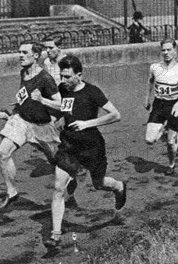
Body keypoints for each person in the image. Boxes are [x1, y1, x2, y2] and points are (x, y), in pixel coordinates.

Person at [48, 55, 127, 247]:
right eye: (61, 76)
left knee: (99, 184)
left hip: (92, 146)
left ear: (79, 75)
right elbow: (66, 109)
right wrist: (58, 120)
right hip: (69, 146)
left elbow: (115, 115)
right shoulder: (63, 89)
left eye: (67, 76)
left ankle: (119, 187)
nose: (63, 80)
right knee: (58, 187)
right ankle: (55, 234)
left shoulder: (93, 92)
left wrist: (87, 123)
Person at [0, 42, 62, 208]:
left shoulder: (46, 78)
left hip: (42, 127)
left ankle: (70, 189)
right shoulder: (23, 72)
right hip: (22, 121)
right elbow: (24, 93)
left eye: (25, 52)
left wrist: (42, 100)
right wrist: (18, 105)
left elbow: (62, 104)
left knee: (58, 161)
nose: (20, 55)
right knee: (3, 151)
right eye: (19, 52)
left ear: (36, 56)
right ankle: (12, 192)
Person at [144, 38, 178, 175]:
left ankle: (171, 164)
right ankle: (163, 127)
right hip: (158, 104)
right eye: (163, 50)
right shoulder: (155, 67)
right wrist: (147, 97)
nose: (166, 52)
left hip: (173, 106)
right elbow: (150, 81)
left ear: (175, 51)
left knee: (170, 142)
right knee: (149, 140)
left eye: (169, 50)